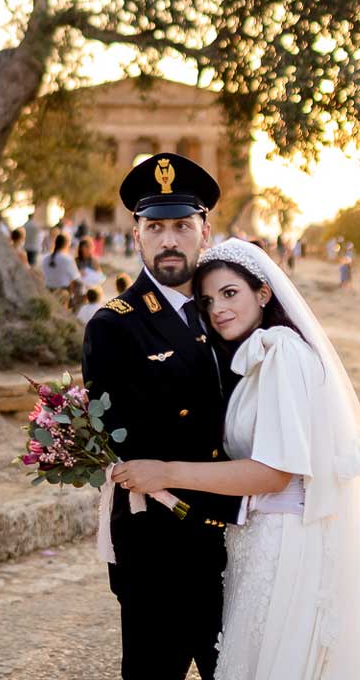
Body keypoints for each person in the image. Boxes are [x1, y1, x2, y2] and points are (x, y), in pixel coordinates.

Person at [112, 239, 360, 678]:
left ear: (264, 294)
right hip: (257, 541)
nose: (217, 309)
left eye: (230, 294)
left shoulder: (282, 353)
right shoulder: (258, 356)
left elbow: (273, 473)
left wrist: (165, 472)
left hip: (286, 546)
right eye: (208, 300)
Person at [81, 153, 245, 680]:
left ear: (206, 231)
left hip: (242, 534)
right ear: (137, 237)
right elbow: (126, 440)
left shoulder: (234, 314)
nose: (169, 239)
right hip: (160, 546)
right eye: (156, 227)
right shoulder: (114, 326)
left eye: (181, 225)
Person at [41, 234, 80, 306]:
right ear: (67, 244)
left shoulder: (45, 258)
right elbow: (76, 278)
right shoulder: (68, 259)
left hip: (48, 290)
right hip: (63, 293)